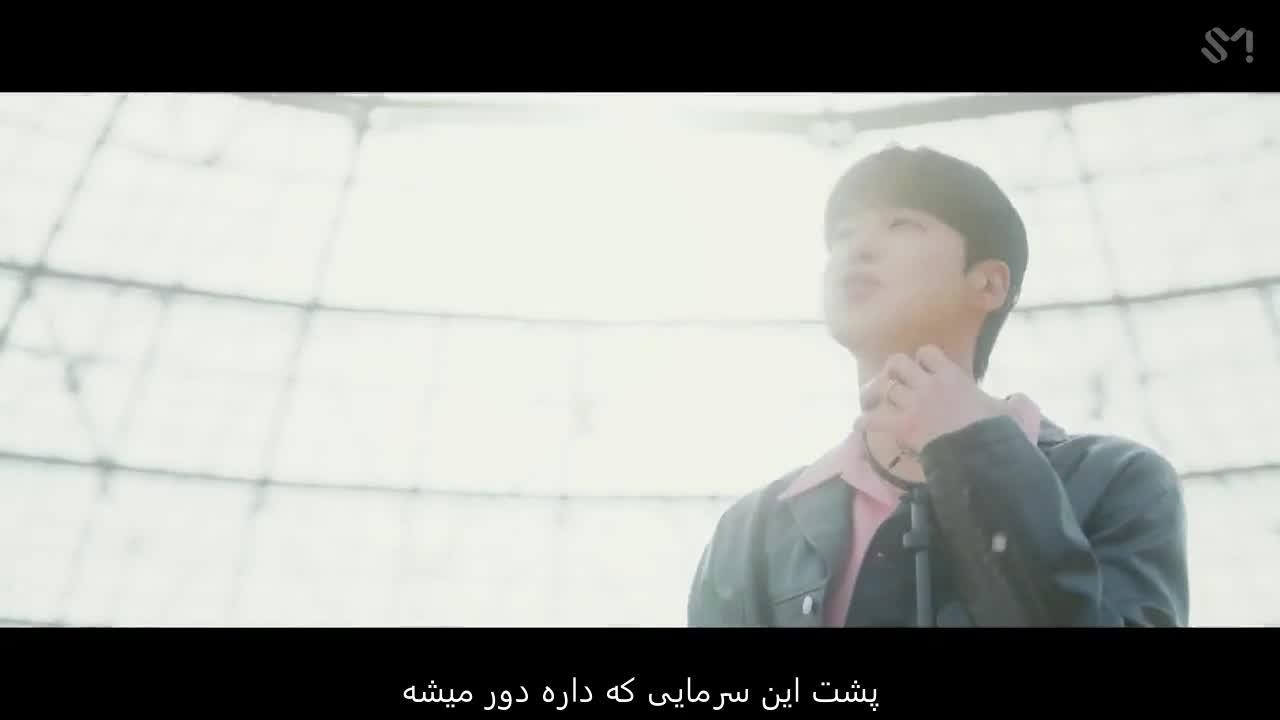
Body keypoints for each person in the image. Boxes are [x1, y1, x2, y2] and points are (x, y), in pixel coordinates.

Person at [686, 145, 1190, 627]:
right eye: (842, 234)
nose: (856, 249)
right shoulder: (751, 532)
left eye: (902, 224)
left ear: (988, 283)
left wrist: (971, 451)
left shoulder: (1116, 480)